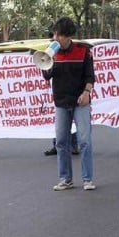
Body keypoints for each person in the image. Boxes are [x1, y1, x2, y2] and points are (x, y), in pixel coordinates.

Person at [41, 17, 95, 191]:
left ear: (69, 36)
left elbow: (90, 75)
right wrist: (48, 61)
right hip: (61, 102)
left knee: (84, 140)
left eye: (60, 35)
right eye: (55, 34)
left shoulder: (83, 51)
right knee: (61, 142)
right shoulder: (52, 53)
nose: (56, 38)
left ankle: (87, 179)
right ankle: (65, 179)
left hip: (80, 102)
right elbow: (47, 76)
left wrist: (87, 92)